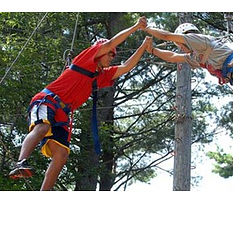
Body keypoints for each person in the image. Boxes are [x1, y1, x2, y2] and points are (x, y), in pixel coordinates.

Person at [9, 17, 152, 190]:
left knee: (61, 154)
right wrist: (136, 27)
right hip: (48, 101)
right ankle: (20, 163)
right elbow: (111, 42)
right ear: (99, 52)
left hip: (61, 115)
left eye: (113, 55)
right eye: (109, 54)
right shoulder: (85, 59)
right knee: (42, 127)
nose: (112, 57)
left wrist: (144, 45)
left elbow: (126, 67)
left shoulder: (100, 76)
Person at [144, 22, 233, 176]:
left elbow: (166, 35)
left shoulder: (198, 40)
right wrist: (152, 50)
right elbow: (173, 57)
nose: (180, 48)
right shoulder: (197, 56)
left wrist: (147, 29)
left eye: (180, 44)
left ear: (185, 37)